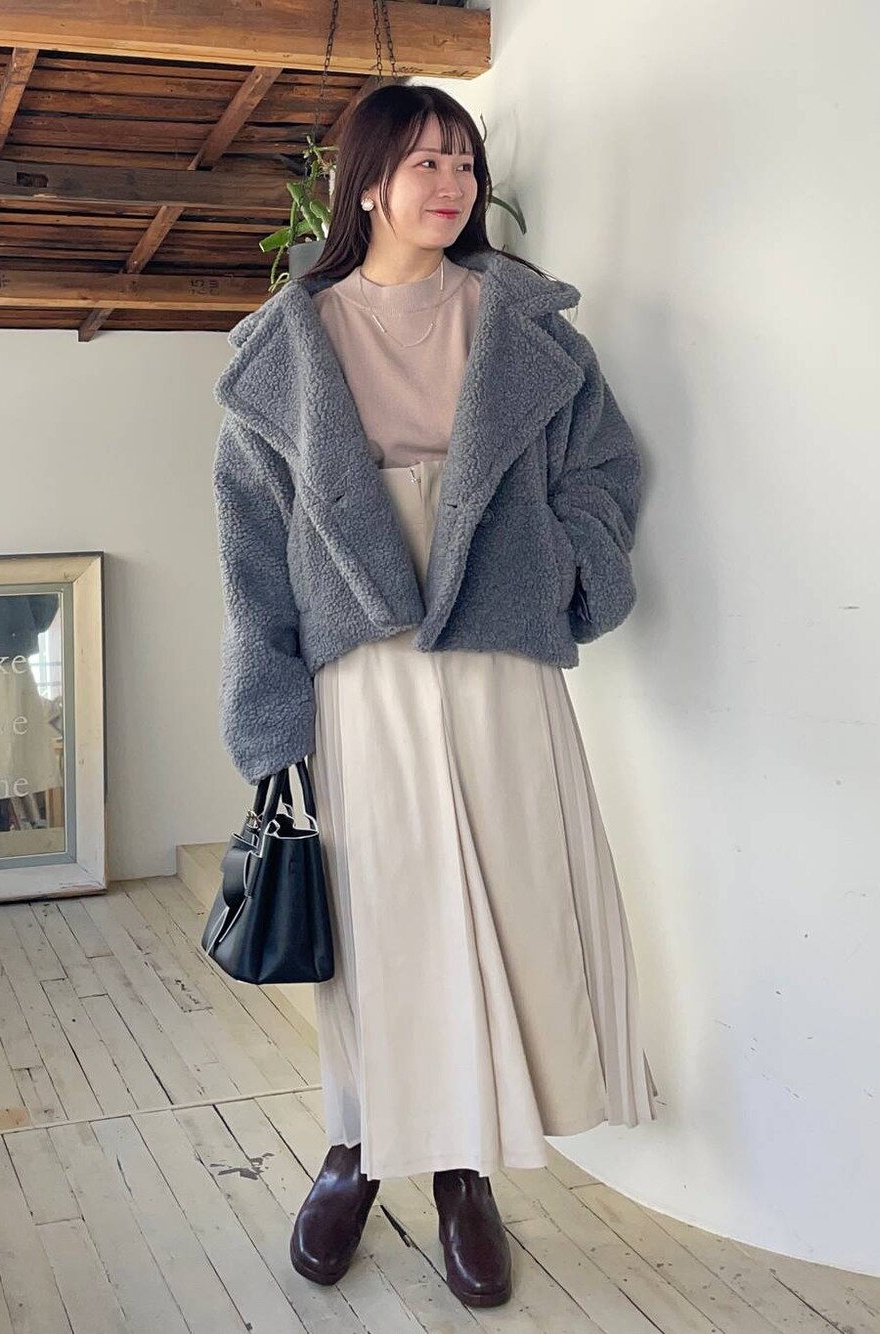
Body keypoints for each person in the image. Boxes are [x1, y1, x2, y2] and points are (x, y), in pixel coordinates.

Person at [212, 82, 660, 1309]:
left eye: (463, 160)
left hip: (496, 641)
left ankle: (464, 1171)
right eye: (423, 161)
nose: (451, 183)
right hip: (360, 662)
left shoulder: (521, 324)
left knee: (508, 901)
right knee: (383, 916)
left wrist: (561, 564)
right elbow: (250, 546)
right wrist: (268, 714)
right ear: (364, 183)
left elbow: (604, 469)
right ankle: (357, 1145)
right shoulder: (286, 344)